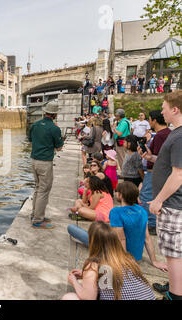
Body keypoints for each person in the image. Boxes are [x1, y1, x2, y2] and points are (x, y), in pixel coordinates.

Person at [139, 90, 182, 300]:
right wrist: (152, 157)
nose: (162, 112)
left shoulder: (180, 136)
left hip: (172, 204)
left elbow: (179, 174)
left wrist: (158, 199)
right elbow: (171, 165)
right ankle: (174, 286)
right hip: (172, 203)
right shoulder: (176, 133)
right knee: (173, 252)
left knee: (174, 255)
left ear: (175, 109)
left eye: (164, 108)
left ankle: (174, 296)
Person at [67, 183, 168, 272]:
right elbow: (147, 239)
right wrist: (154, 261)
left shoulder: (116, 212)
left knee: (72, 228)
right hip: (136, 257)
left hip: (120, 255)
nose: (115, 194)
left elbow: (121, 239)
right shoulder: (142, 210)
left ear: (120, 195)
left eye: (116, 192)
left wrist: (122, 262)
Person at [63, 221, 155, 300]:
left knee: (69, 297)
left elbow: (88, 297)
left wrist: (74, 281)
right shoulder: (128, 258)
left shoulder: (94, 265)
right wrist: (86, 275)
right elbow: (110, 281)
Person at [28, 101, 64, 229]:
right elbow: (59, 148)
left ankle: (35, 214)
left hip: (33, 160)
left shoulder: (35, 125)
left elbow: (30, 140)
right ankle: (38, 220)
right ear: (54, 115)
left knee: (38, 188)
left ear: (45, 112)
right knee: (44, 190)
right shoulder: (55, 128)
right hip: (45, 162)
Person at [139, 110, 171, 236]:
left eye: (150, 119)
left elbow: (157, 157)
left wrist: (147, 156)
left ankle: (151, 224)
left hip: (155, 171)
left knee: (146, 196)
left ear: (155, 120)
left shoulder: (159, 135)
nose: (149, 122)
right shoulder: (169, 133)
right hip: (165, 172)